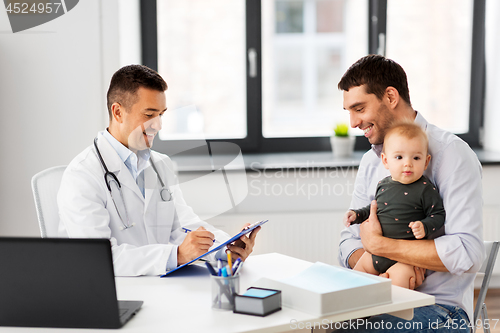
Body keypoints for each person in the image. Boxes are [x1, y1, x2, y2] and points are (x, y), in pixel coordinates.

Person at [58, 64, 260, 276]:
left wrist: (225, 249)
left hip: (160, 285)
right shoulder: (82, 176)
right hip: (114, 293)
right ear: (118, 112)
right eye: (149, 114)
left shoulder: (160, 164)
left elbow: (183, 226)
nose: (158, 125)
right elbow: (98, 258)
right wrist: (177, 256)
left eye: (161, 114)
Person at [336, 55, 484, 332]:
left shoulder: (452, 155)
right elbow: (347, 242)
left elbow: (467, 253)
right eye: (349, 112)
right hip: (376, 298)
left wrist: (381, 247)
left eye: (359, 108)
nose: (353, 122)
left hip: (439, 308)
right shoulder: (372, 161)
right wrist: (378, 268)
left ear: (390, 96)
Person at [343, 122, 445, 288]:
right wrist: (357, 215)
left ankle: (384, 312)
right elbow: (374, 209)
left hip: (404, 260)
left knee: (396, 293)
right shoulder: (383, 184)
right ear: (385, 160)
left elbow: (438, 214)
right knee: (355, 284)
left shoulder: (425, 189)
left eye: (416, 158)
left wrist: (424, 226)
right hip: (374, 255)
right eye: (399, 157)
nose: (408, 163)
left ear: (426, 162)